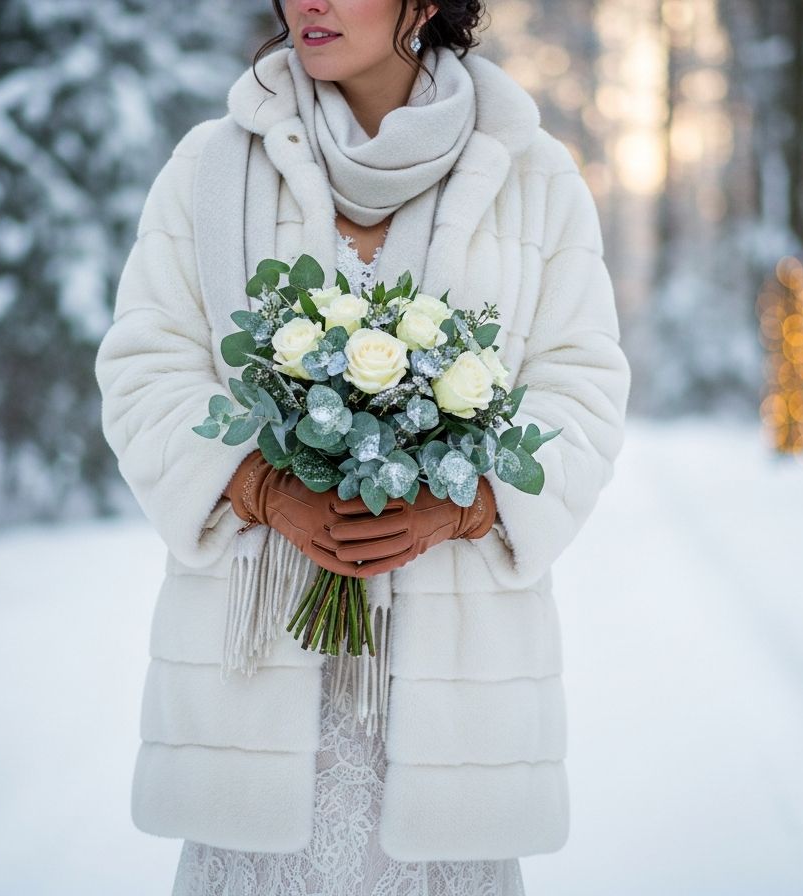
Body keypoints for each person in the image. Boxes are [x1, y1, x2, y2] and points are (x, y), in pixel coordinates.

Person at [93, 0, 631, 893]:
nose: (308, 0)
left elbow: (584, 387)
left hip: (454, 692)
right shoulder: (209, 168)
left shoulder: (533, 175)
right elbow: (145, 367)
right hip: (255, 673)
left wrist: (468, 502)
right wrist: (262, 486)